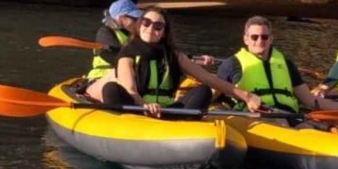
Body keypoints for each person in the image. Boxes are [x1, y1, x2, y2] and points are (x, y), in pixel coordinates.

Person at [85, 8, 261, 117]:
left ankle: (181, 122)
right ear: (139, 25)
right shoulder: (128, 53)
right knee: (111, 90)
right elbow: (130, 89)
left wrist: (247, 96)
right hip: (136, 108)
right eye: (146, 22)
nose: (151, 28)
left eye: (158, 26)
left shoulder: (173, 55)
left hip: (166, 110)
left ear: (164, 32)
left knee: (203, 91)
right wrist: (144, 105)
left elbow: (208, 78)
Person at [184, 15, 338, 115]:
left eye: (264, 37)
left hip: (289, 116)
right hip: (256, 116)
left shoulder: (286, 64)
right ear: (246, 39)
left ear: (271, 39)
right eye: (254, 37)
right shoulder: (231, 64)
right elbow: (212, 95)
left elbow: (309, 100)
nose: (259, 41)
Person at [86, 0, 142, 81]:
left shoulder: (133, 34)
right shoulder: (105, 32)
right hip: (102, 75)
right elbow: (111, 56)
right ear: (121, 18)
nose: (138, 22)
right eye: (134, 18)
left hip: (126, 75)